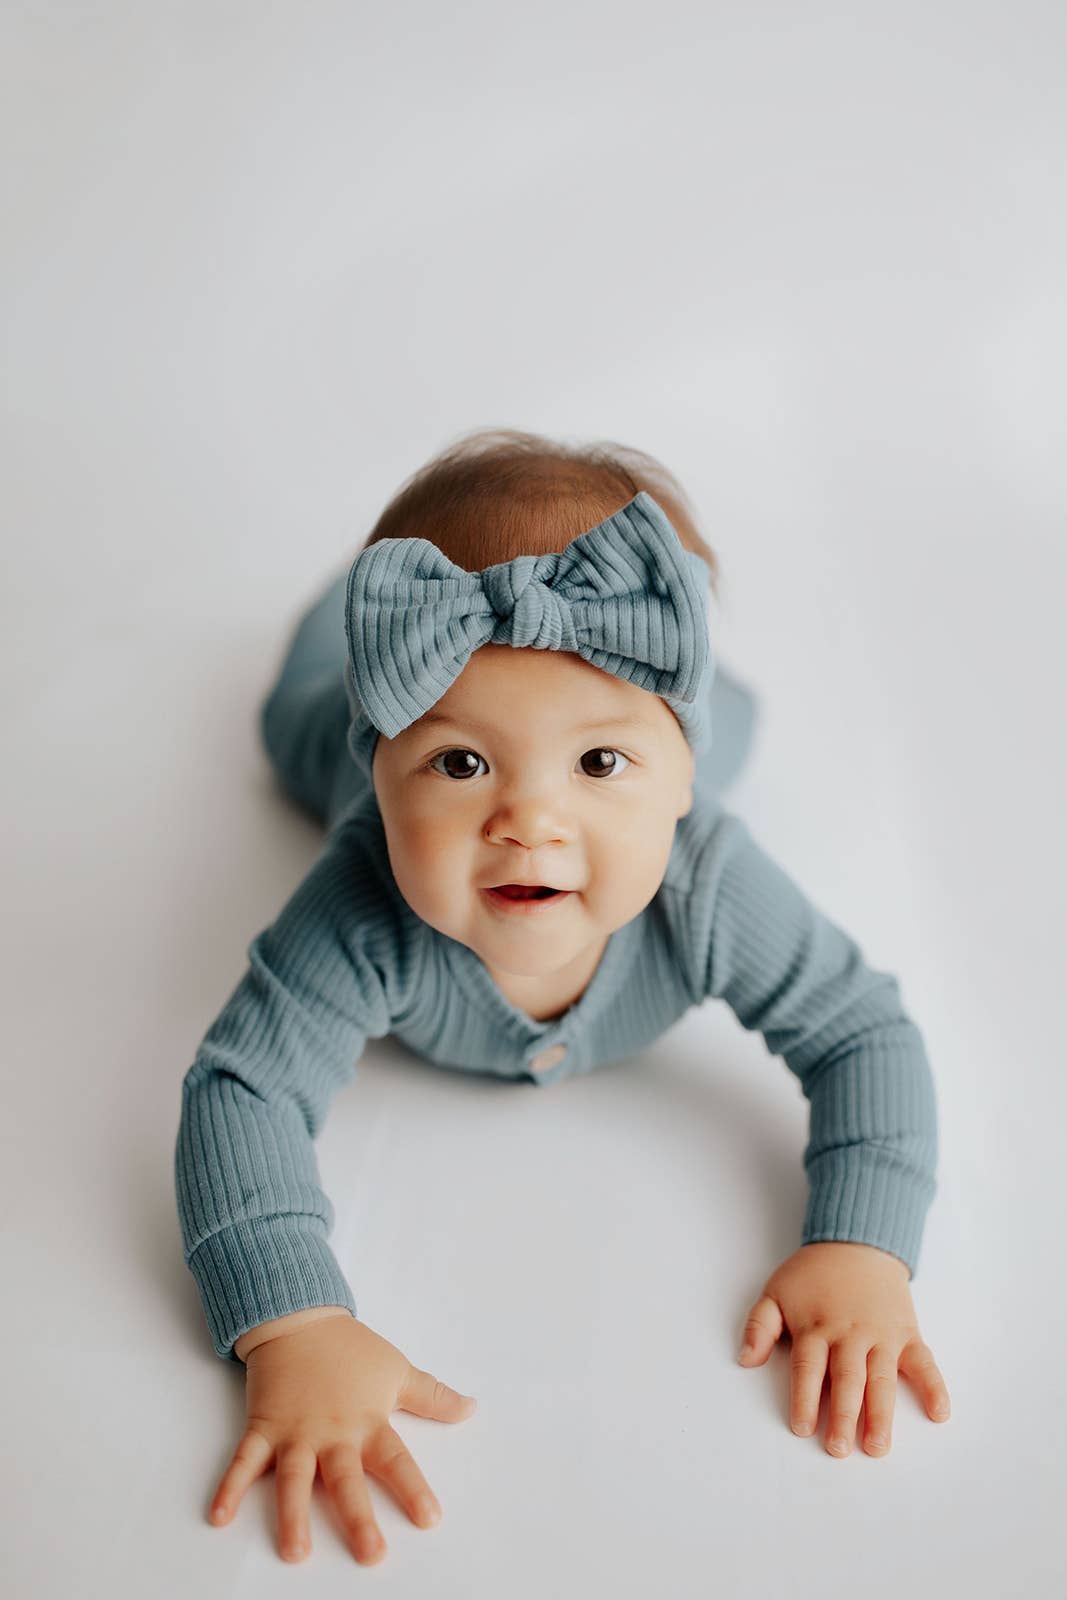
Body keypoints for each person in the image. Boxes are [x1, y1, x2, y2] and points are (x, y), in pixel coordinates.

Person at [174, 427, 951, 1568]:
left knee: (733, 719)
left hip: (686, 734)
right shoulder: (359, 898)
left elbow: (859, 1030)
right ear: (385, 772)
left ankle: (697, 696)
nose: (527, 823)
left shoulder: (705, 875)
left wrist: (862, 1244)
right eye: (455, 764)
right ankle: (343, 620)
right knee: (288, 730)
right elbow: (242, 1089)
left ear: (677, 783)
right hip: (345, 726)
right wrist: (293, 1318)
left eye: (596, 764)